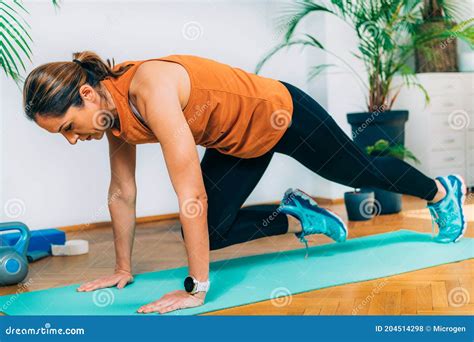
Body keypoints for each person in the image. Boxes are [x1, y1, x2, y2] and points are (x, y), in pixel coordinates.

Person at [22, 51, 467, 314]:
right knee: (207, 232)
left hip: (283, 112)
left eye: (67, 127)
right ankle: (298, 214)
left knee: (357, 173)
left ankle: (441, 190)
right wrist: (122, 269)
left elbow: (190, 192)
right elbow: (122, 193)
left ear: (84, 95)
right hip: (238, 142)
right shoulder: (111, 114)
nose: (74, 140)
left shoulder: (148, 88)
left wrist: (196, 288)